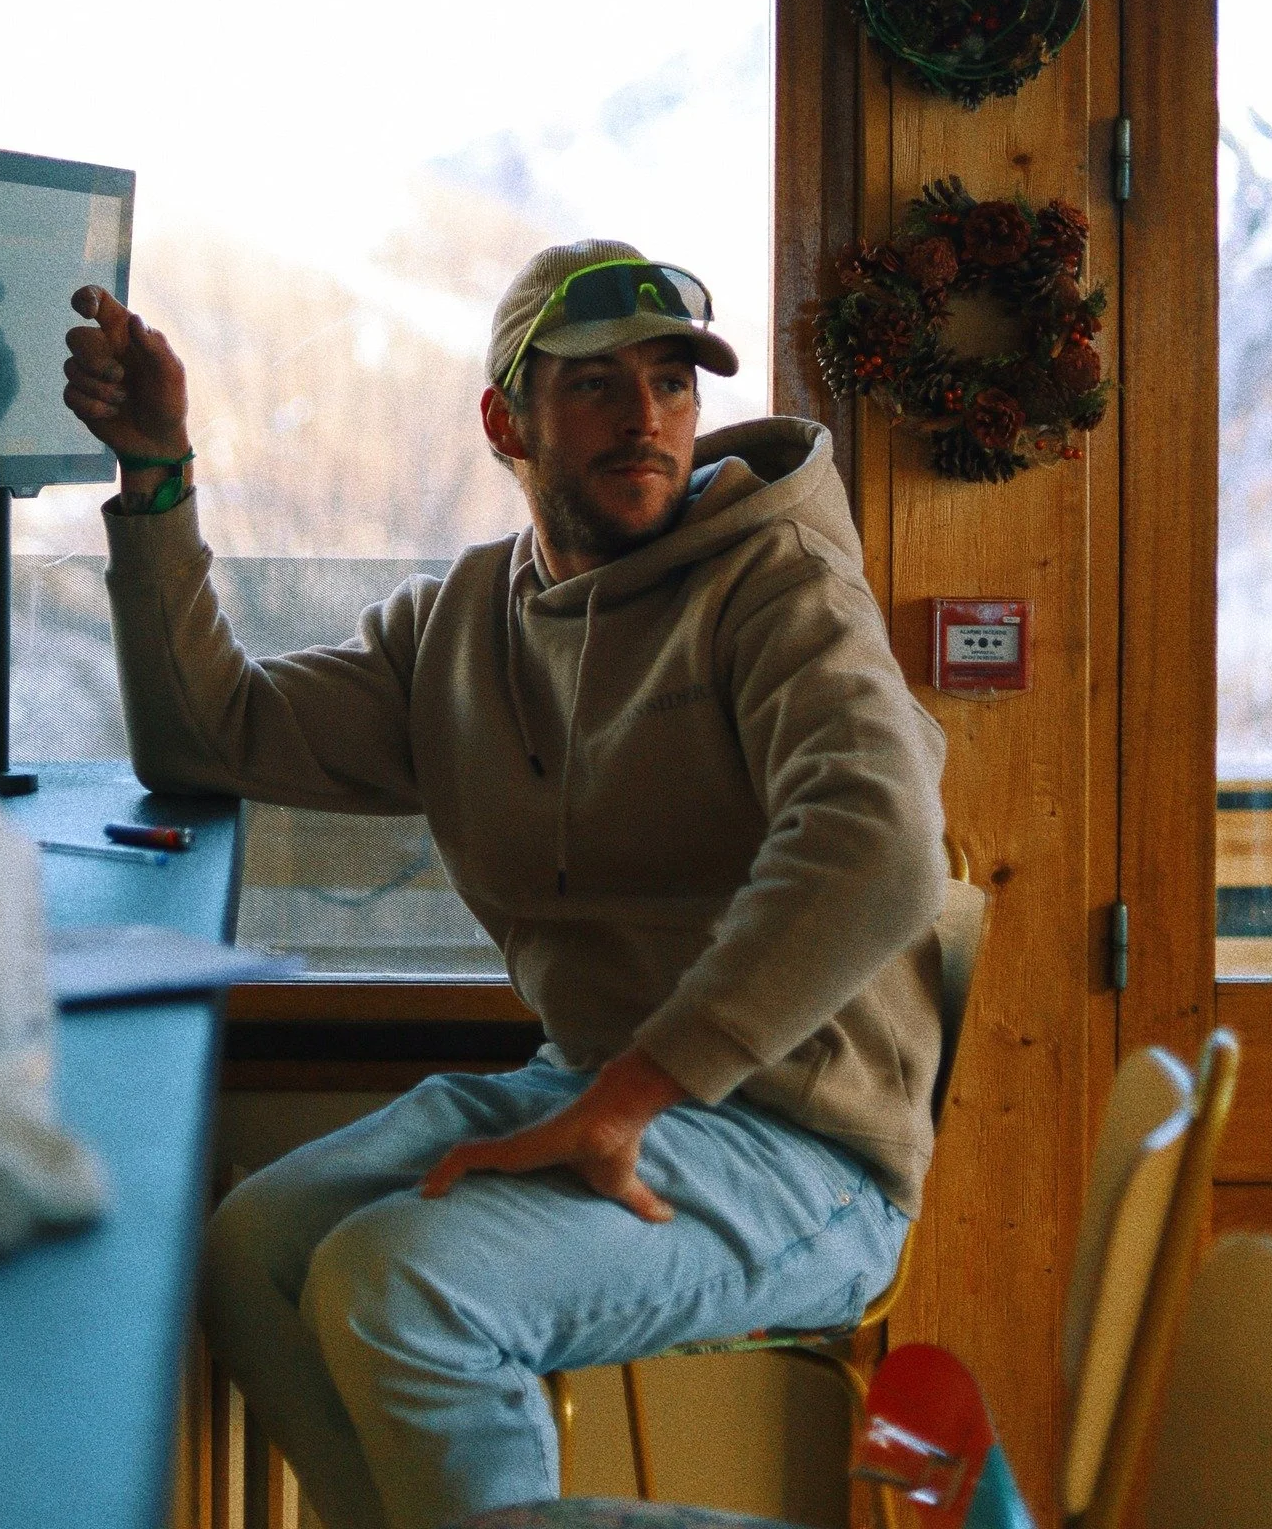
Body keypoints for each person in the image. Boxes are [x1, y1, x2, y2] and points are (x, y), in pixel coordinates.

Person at [63, 239, 948, 1529]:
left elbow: (881, 847)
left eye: (672, 384)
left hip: (804, 1149)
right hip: (590, 1084)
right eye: (596, 386)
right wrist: (155, 476)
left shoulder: (780, 586)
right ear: (505, 421)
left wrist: (639, 1092)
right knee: (255, 1251)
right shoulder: (466, 621)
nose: (647, 420)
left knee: (400, 1285)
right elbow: (210, 736)